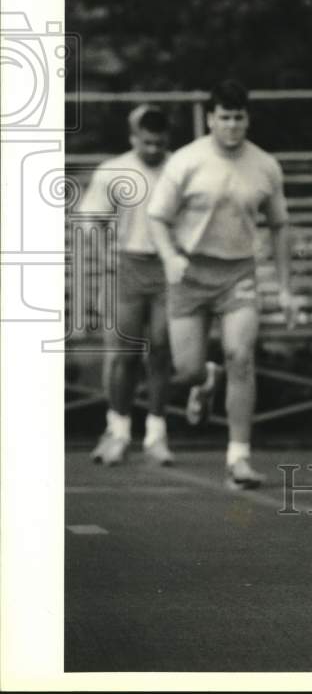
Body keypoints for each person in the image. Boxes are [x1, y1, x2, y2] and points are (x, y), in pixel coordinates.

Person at [147, 79, 296, 489]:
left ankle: (239, 457)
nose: (232, 126)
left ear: (247, 120)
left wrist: (285, 288)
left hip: (238, 274)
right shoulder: (186, 162)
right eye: (224, 118)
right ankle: (205, 380)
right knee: (188, 368)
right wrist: (171, 257)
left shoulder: (265, 165)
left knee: (241, 357)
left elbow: (281, 227)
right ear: (210, 119)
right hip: (190, 273)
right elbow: (157, 217)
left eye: (239, 118)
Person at [82, 104, 175, 466]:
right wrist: (104, 255)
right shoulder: (113, 171)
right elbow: (91, 220)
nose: (153, 149)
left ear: (167, 140)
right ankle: (117, 431)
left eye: (159, 143)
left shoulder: (179, 169)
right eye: (146, 142)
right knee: (124, 354)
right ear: (133, 137)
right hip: (126, 265)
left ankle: (156, 434)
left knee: (163, 352)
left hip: (168, 267)